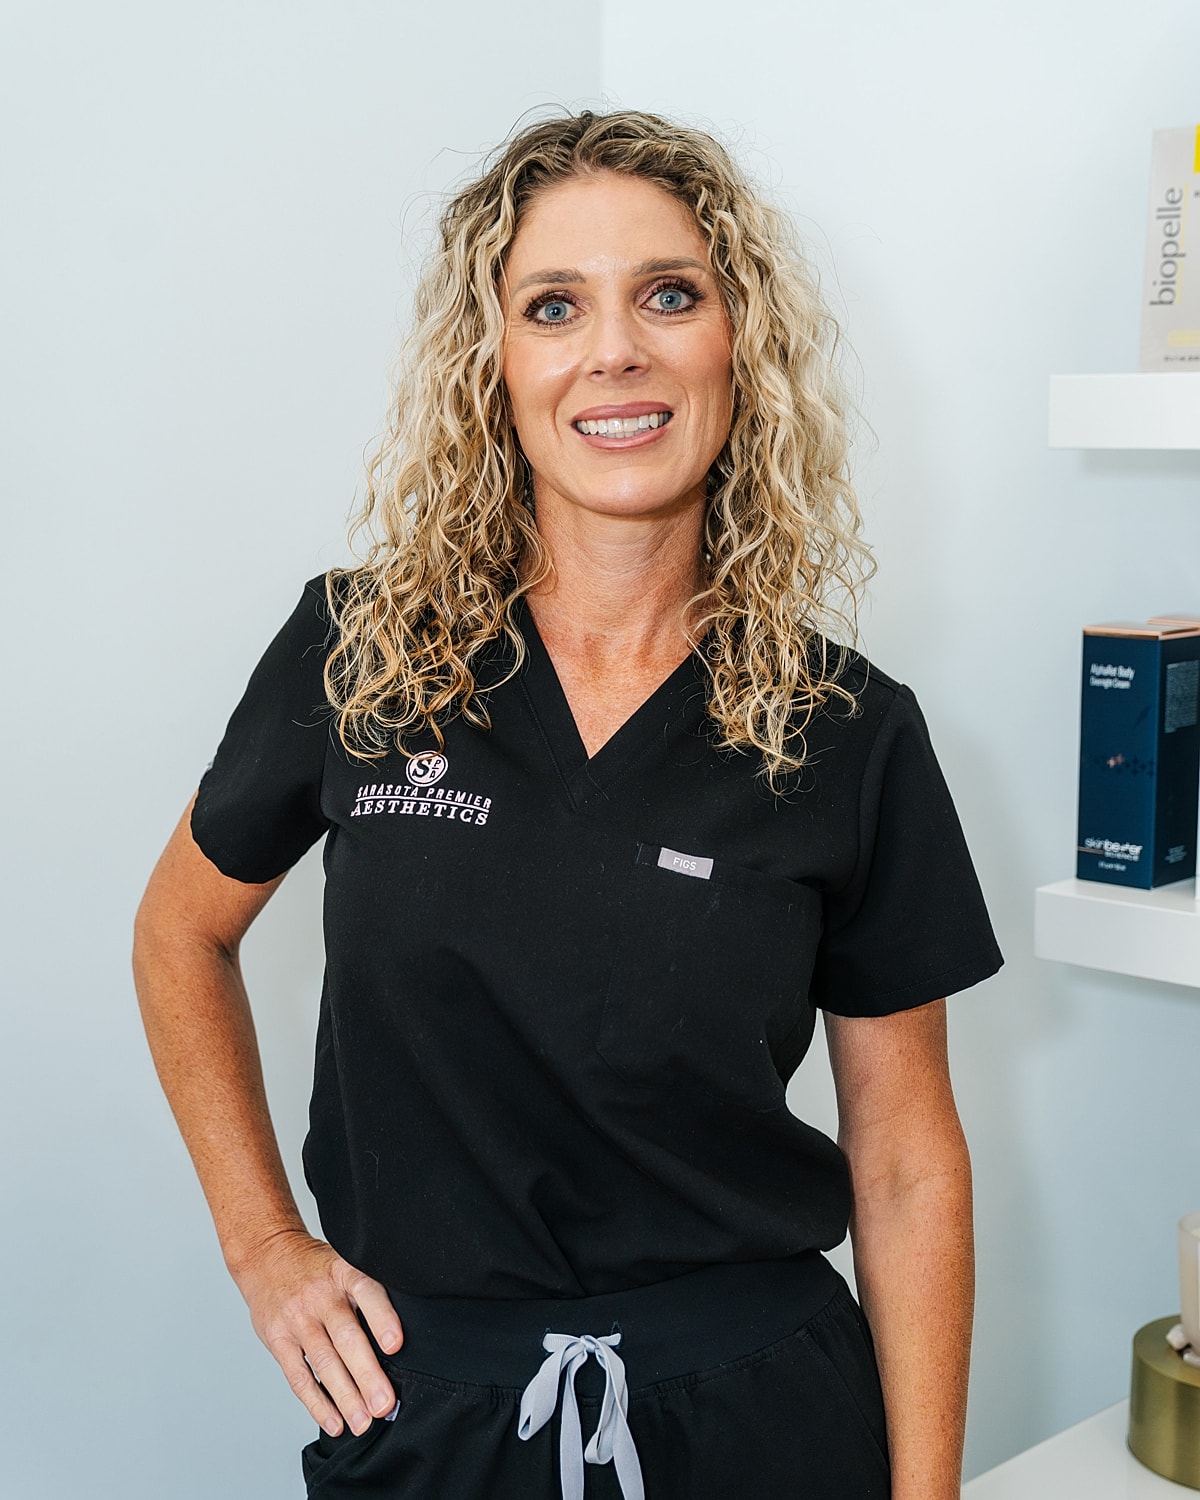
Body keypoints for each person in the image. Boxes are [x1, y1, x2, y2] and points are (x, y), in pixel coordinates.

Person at [133, 108, 1002, 1500]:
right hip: (432, 1412)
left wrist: (929, 1495)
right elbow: (180, 932)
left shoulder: (848, 731)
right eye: (554, 306)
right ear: (496, 365)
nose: (617, 350)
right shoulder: (358, 653)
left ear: (741, 347)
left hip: (766, 1419)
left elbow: (904, 1160)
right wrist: (263, 1242)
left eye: (670, 294)